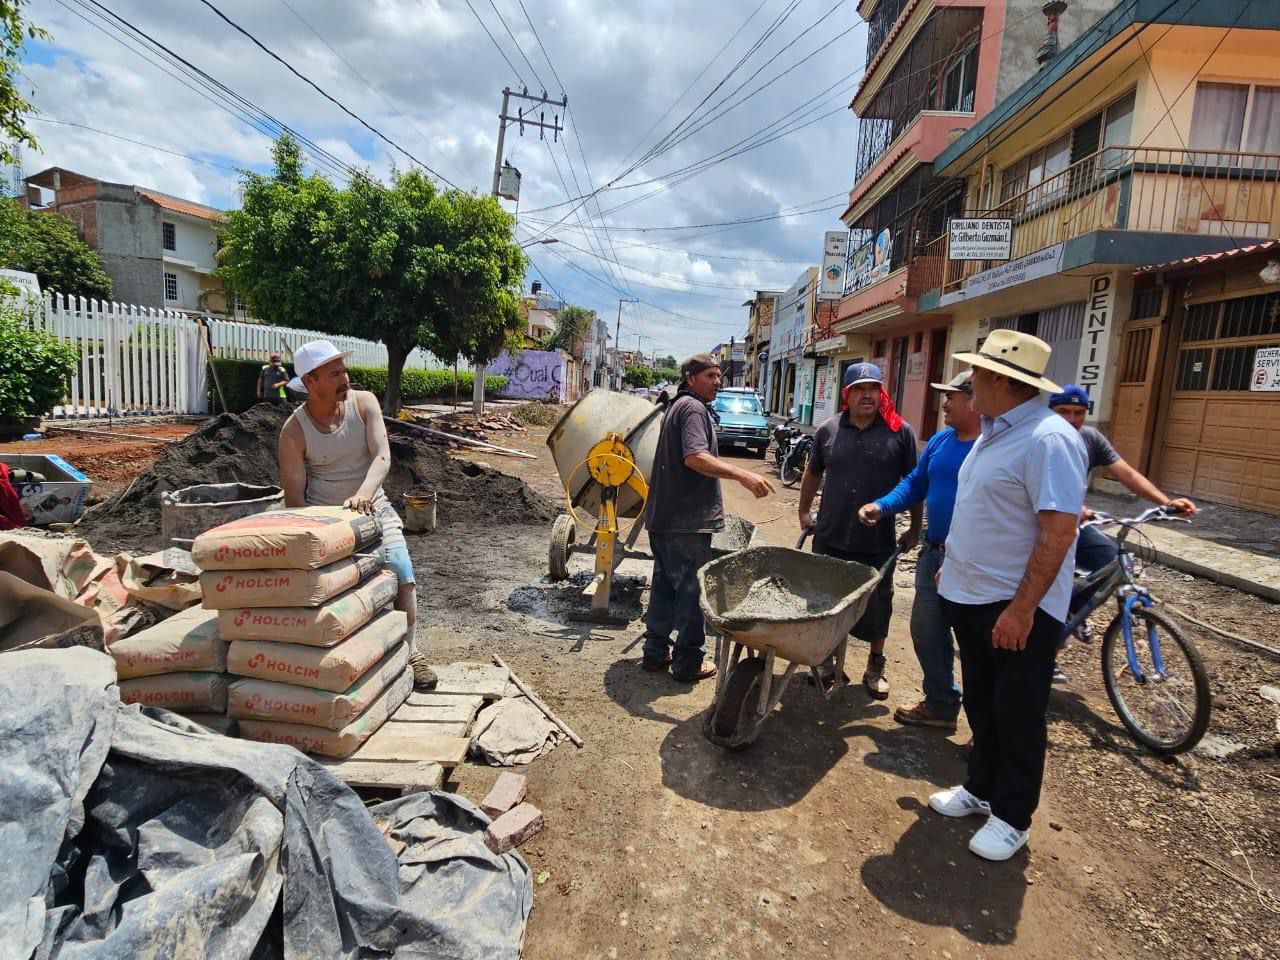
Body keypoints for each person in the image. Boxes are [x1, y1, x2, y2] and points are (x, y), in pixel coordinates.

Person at [928, 329, 1087, 862]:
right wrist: (950, 566)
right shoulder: (994, 432)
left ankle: (1013, 816)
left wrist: (1022, 610)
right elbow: (983, 512)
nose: (967, 382)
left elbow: (1058, 533)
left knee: (1017, 712)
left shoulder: (1049, 439)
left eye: (975, 373)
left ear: (1000, 379)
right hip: (969, 595)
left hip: (1015, 606)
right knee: (981, 701)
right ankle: (979, 788)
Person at [277, 340, 431, 685]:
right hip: (326, 522)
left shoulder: (364, 404)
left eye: (343, 370)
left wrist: (363, 494)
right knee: (334, 593)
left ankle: (412, 651)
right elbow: (295, 500)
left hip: (375, 510)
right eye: (334, 374)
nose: (344, 378)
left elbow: (381, 456)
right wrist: (311, 542)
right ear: (311, 381)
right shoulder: (294, 431)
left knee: (402, 574)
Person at [641, 353, 774, 682]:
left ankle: (655, 653)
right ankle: (688, 663)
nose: (717, 382)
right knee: (690, 593)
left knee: (664, 588)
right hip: (686, 522)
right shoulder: (693, 409)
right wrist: (744, 475)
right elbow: (695, 457)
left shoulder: (677, 406)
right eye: (710, 376)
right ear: (691, 377)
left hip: (665, 519)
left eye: (719, 376)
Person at [858, 371, 979, 729]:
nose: (944, 402)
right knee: (927, 630)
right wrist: (882, 506)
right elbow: (915, 484)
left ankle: (985, 730)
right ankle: (941, 703)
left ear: (974, 400)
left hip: (973, 560)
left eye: (951, 396)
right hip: (934, 552)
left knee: (975, 645)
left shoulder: (994, 444)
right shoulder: (942, 441)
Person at [798, 362, 920, 699]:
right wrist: (804, 510)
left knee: (878, 603)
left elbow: (914, 482)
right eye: (860, 389)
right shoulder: (828, 430)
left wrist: (914, 526)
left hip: (876, 540)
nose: (867, 395)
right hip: (831, 534)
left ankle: (875, 664)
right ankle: (825, 660)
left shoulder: (900, 432)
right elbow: (813, 473)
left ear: (881, 393)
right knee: (824, 599)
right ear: (847, 395)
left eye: (873, 389)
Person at [1048, 383, 1198, 573]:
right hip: (1036, 521)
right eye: (1063, 411)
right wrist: (1070, 507)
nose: (1071, 419)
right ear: (1050, 412)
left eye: (1079, 413)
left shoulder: (1090, 437)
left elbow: (1127, 474)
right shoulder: (1041, 439)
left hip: (1073, 520)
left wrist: (1167, 503)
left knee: (1116, 566)